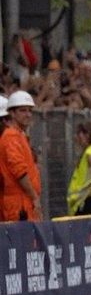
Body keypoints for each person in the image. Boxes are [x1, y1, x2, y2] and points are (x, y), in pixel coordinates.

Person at [0, 91, 41, 221]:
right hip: (19, 204)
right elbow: (19, 172)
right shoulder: (11, 137)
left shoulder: (18, 135)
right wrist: (34, 197)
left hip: (24, 201)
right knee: (22, 240)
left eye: (30, 111)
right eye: (23, 111)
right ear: (11, 113)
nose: (28, 114)